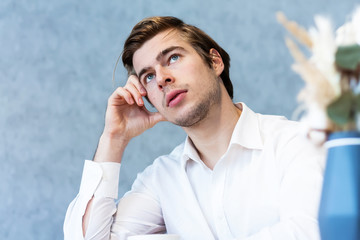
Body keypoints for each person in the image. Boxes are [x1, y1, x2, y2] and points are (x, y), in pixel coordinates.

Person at [64, 16, 325, 240]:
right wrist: (114, 137)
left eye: (173, 57)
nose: (163, 78)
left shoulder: (295, 142)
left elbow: (310, 231)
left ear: (215, 62)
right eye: (149, 76)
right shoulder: (161, 179)